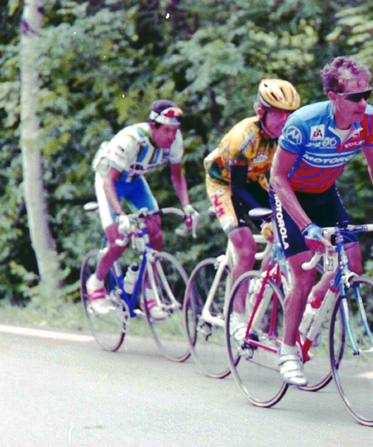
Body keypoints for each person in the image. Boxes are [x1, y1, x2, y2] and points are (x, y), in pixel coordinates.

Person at [269, 56, 373, 386]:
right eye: (355, 97)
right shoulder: (304, 123)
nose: (363, 102)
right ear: (333, 97)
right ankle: (288, 351)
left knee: (352, 264)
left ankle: (313, 310)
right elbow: (278, 178)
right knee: (303, 274)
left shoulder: (369, 120)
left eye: (367, 94)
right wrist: (306, 226)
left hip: (323, 193)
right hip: (289, 195)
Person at [204, 79, 301, 340]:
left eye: (290, 114)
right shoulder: (243, 137)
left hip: (257, 180)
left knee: (285, 234)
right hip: (225, 184)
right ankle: (235, 316)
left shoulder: (287, 136)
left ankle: (259, 285)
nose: (285, 120)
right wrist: (265, 220)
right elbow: (238, 188)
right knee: (246, 247)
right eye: (279, 114)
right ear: (262, 112)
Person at [87, 99, 199, 317]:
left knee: (156, 232)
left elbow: (177, 176)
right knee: (118, 239)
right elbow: (109, 181)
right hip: (110, 182)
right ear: (153, 127)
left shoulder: (174, 141)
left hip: (135, 182)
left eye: (175, 131)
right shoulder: (130, 140)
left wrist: (187, 207)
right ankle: (96, 283)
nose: (172, 136)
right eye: (167, 130)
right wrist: (120, 214)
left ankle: (150, 294)